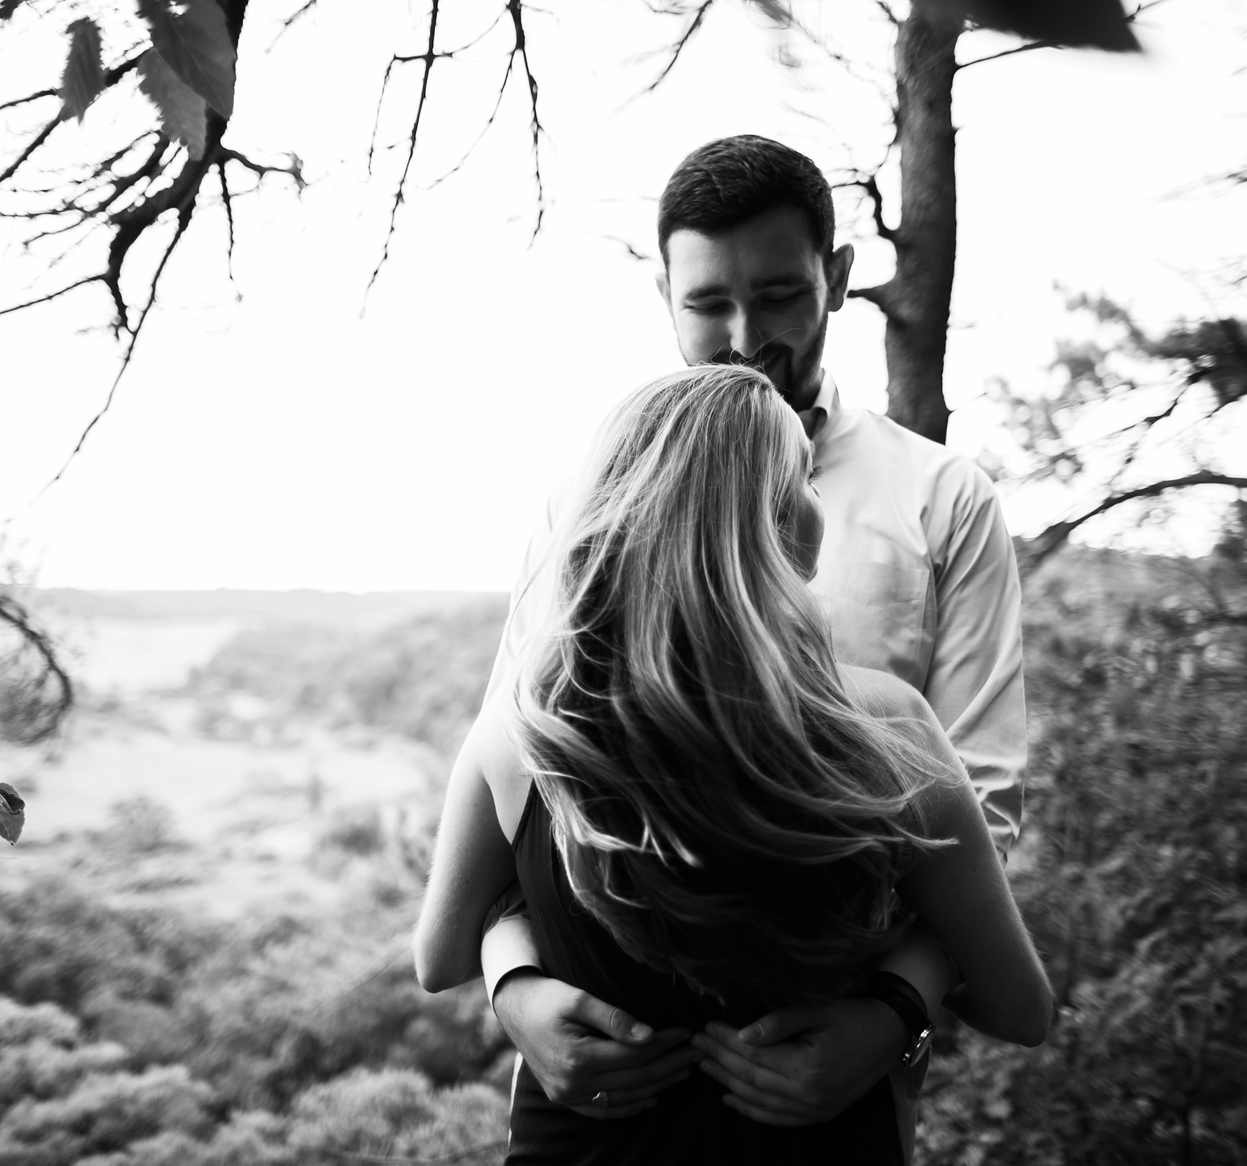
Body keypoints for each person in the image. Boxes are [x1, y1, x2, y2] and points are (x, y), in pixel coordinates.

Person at [477, 134, 1029, 1153]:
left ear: (837, 277)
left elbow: (980, 803)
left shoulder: (940, 498)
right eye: (706, 303)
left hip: (828, 1083)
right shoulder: (586, 502)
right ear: (664, 292)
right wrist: (511, 983)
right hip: (610, 1091)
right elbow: (529, 773)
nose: (743, 337)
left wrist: (893, 1010)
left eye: (778, 296)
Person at [414, 366, 1051, 1163]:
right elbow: (1020, 1008)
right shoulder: (889, 731)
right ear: (780, 521)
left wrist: (513, 977)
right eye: (803, 481)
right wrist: (897, 1010)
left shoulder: (528, 729)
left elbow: (439, 957)